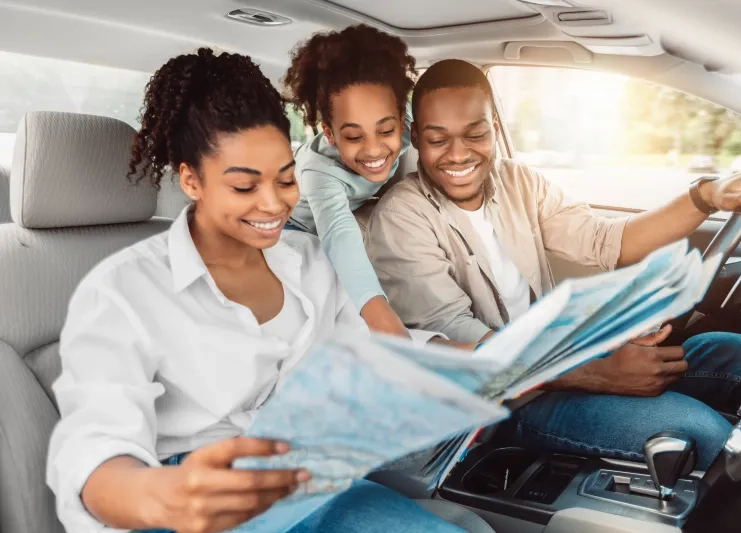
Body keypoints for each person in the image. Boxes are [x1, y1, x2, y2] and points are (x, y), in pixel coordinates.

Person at [46, 49, 467, 533]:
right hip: (194, 499)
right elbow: (96, 446)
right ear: (191, 180)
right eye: (245, 187)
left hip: (311, 482)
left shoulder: (309, 262)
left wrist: (482, 357)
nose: (274, 203)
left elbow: (374, 347)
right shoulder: (122, 289)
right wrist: (162, 496)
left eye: (286, 179)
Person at [365, 59, 741, 469]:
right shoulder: (401, 218)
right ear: (415, 136)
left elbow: (609, 240)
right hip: (504, 404)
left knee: (730, 353)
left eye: (475, 134)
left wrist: (708, 196)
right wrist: (598, 372)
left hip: (562, 356)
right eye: (438, 139)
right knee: (702, 432)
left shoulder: (517, 181)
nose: (458, 155)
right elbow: (469, 356)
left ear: (494, 129)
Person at [283, 24, 415, 337]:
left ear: (402, 118)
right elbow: (339, 237)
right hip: (297, 229)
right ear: (329, 133)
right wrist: (381, 318)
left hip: (351, 211)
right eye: (354, 136)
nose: (373, 149)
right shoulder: (317, 170)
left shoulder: (410, 124)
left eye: (385, 131)